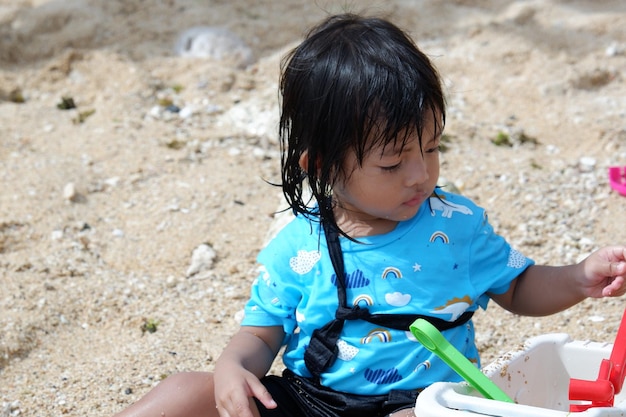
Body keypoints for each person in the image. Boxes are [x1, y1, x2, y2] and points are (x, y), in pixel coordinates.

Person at [113, 13, 626, 417]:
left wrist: (579, 279)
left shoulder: (456, 225)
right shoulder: (298, 248)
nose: (419, 174)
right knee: (183, 393)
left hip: (422, 404)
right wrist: (231, 369)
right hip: (310, 400)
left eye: (431, 147)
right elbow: (261, 334)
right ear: (321, 165)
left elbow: (519, 287)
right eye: (391, 162)